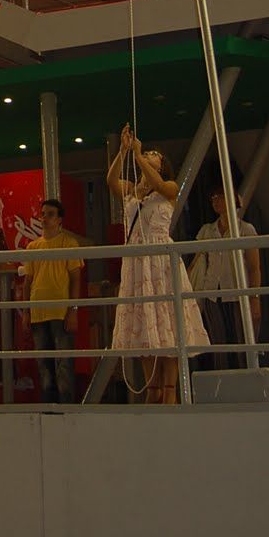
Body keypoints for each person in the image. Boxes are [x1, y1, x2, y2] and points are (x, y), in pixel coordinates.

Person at [107, 124, 208, 404]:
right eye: (148, 152)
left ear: (162, 165)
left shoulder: (169, 189)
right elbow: (111, 180)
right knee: (143, 326)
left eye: (155, 155)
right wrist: (123, 152)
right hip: (137, 263)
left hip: (160, 262)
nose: (149, 154)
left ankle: (170, 394)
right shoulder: (132, 191)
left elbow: (162, 185)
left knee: (167, 324)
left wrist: (139, 155)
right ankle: (152, 392)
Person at [21, 198, 83, 405]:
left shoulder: (69, 243)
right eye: (43, 214)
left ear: (59, 220)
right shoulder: (32, 247)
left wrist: (73, 309)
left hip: (60, 311)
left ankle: (66, 406)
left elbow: (76, 279)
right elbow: (27, 281)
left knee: (63, 363)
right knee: (44, 364)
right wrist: (26, 311)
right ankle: (49, 406)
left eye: (50, 214)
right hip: (39, 311)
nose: (45, 218)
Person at [194, 185, 262, 366]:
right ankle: (222, 381)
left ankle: (245, 379)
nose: (216, 201)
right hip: (211, 293)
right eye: (213, 198)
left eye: (221, 197)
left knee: (242, 340)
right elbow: (197, 263)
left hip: (237, 291)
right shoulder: (207, 230)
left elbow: (254, 267)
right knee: (218, 342)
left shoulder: (245, 229)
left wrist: (255, 297)